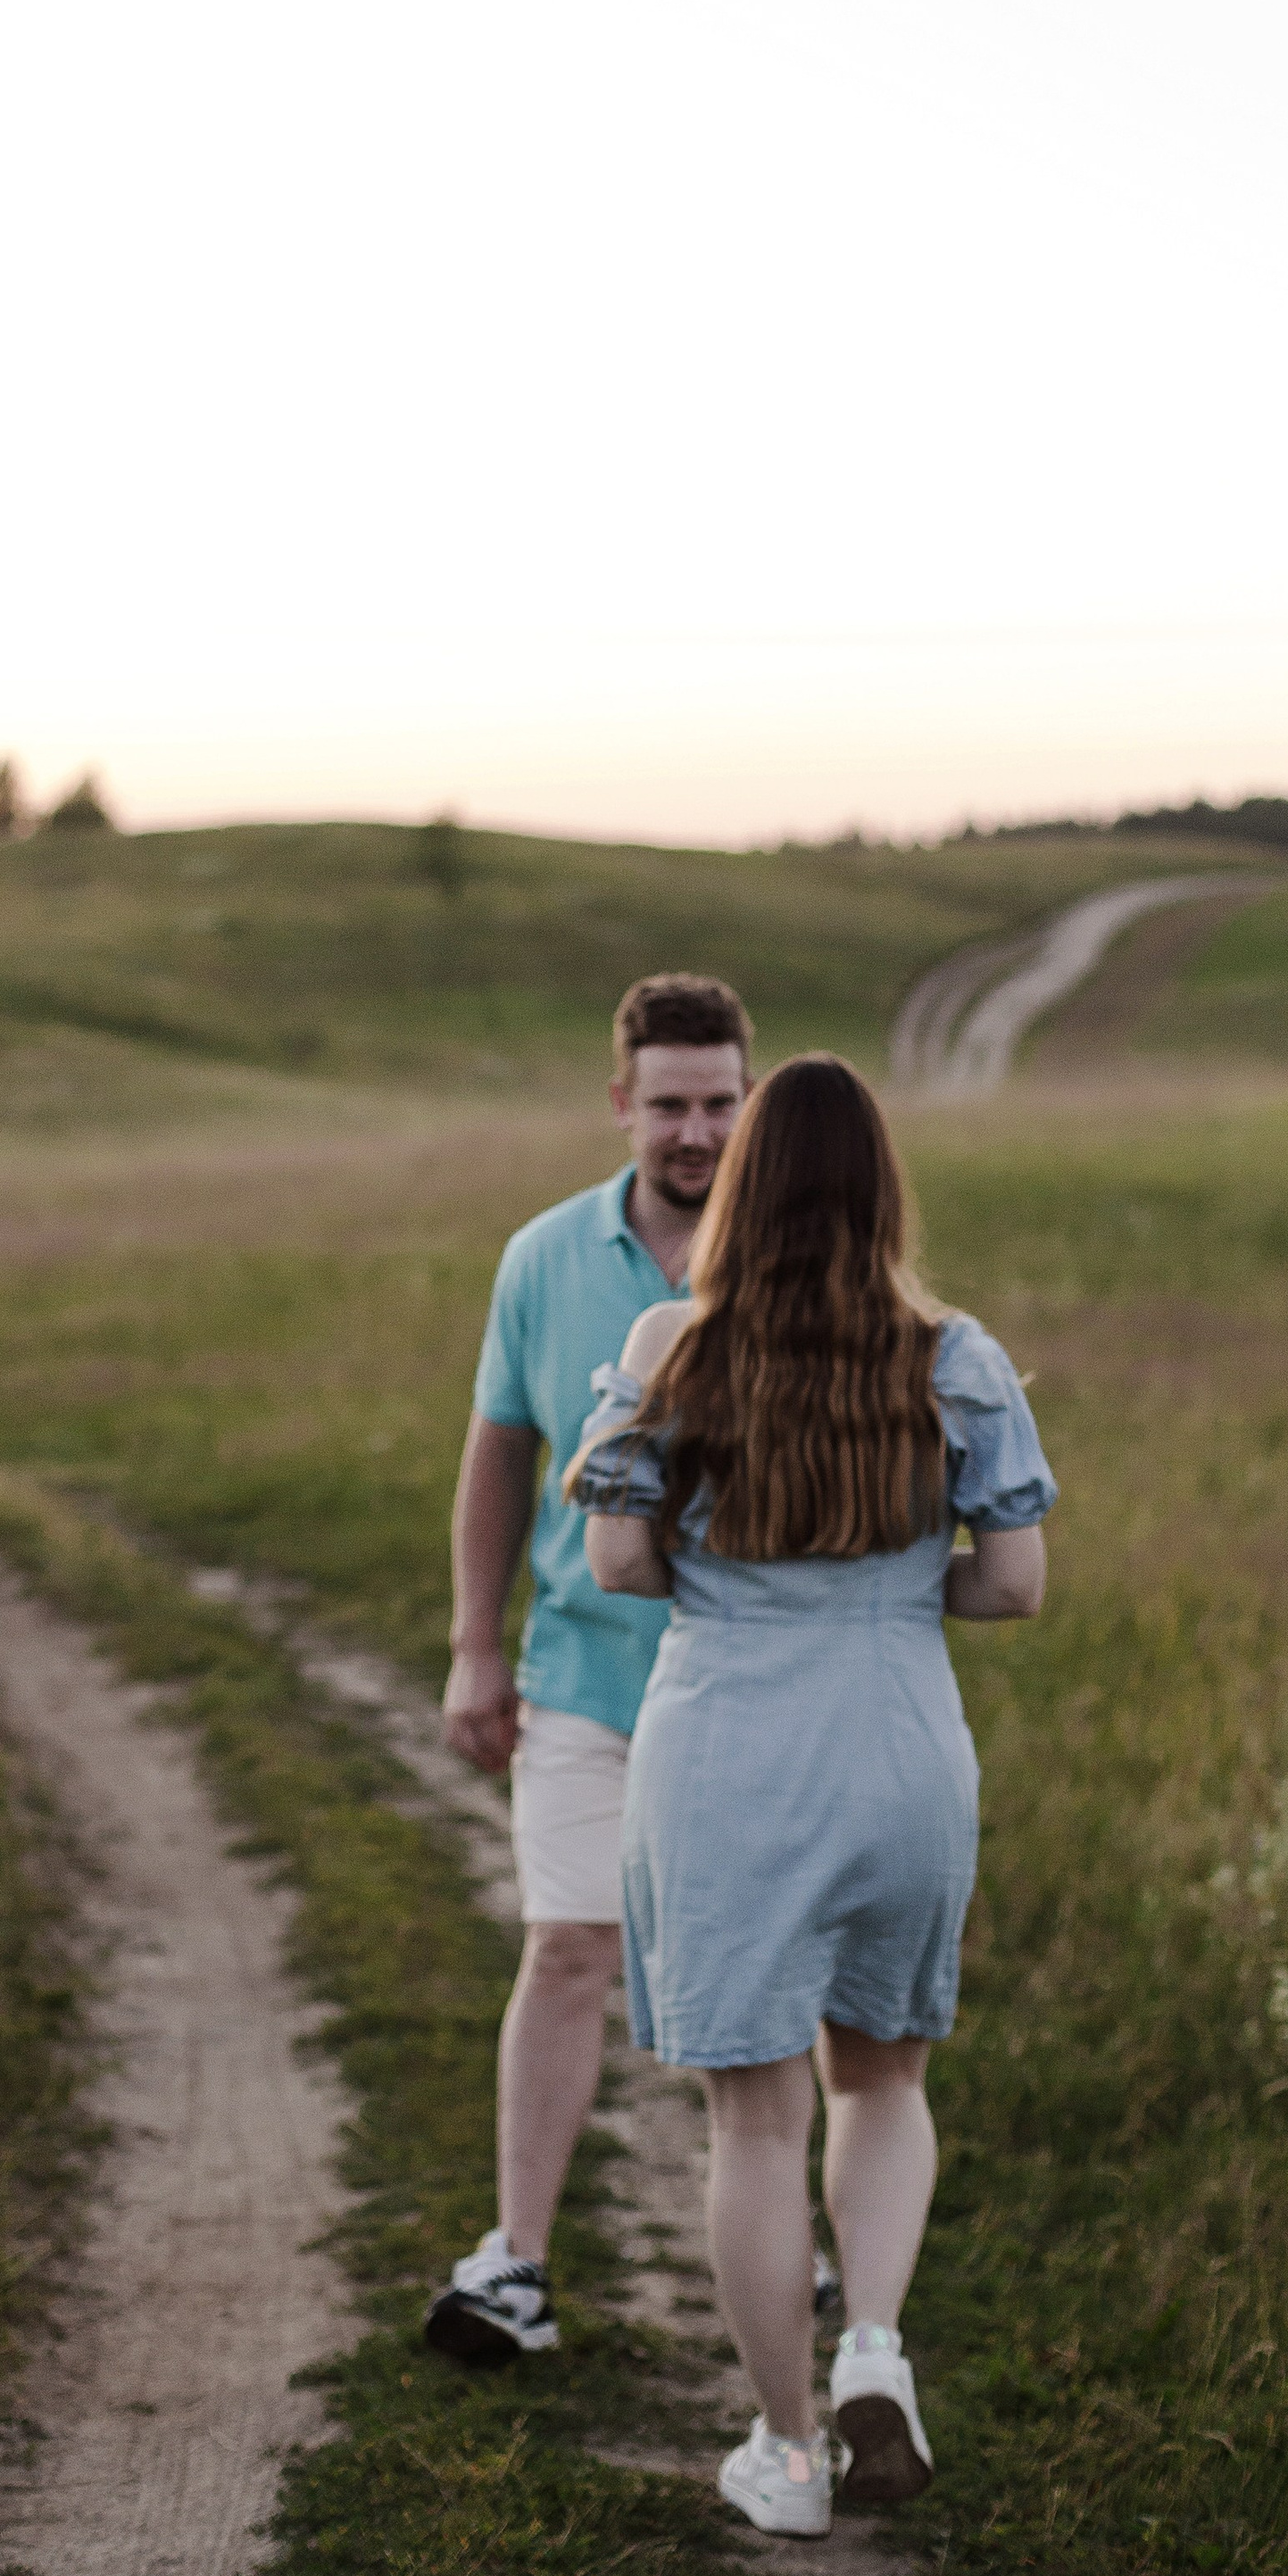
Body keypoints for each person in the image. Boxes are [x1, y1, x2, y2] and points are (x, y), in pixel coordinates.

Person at [562, 1052, 1054, 2539]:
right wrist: (902, 1587)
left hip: (729, 1748)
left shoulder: (672, 1348)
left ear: (751, 1182)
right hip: (901, 1738)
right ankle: (879, 2352)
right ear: (881, 1189)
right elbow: (1015, 1585)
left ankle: (786, 2456)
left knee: (756, 2123)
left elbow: (620, 1563)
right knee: (885, 2079)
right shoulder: (952, 1355)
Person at [422, 973, 753, 2366]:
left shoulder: (795, 1265)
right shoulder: (543, 1259)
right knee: (565, 1950)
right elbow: (500, 1451)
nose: (696, 1132)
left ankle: (773, 2262)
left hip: (753, 1692)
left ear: (753, 1102)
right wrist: (475, 1646)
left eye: (721, 1104)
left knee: (747, 1985)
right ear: (619, 1102)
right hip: (583, 1674)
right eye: (670, 1104)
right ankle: (519, 2267)